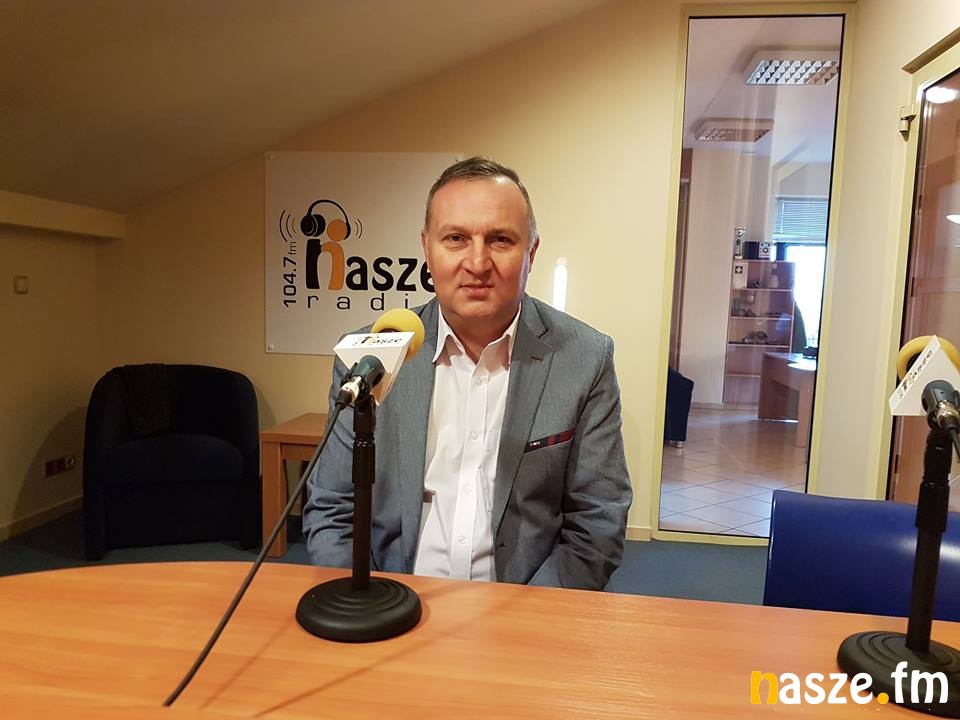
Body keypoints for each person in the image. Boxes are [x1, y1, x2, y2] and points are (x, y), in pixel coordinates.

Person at [302, 157, 631, 590]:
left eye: (500, 239)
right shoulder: (368, 358)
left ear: (531, 252)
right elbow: (331, 507)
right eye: (455, 238)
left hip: (524, 607)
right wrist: (367, 602)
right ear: (427, 249)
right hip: (391, 600)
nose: (477, 262)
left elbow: (598, 520)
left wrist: (527, 617)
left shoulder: (585, 358)